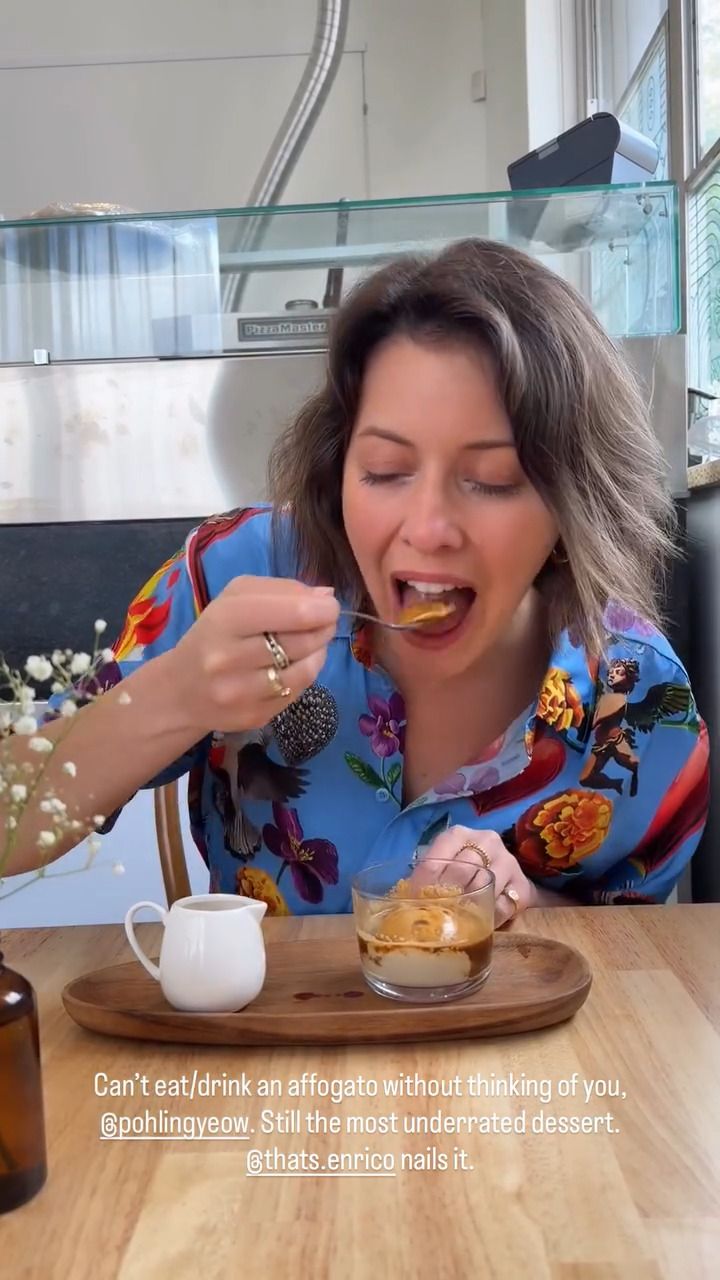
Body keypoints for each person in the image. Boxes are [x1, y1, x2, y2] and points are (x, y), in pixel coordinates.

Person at [5, 239, 709, 925]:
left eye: (492, 480)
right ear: (338, 468)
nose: (428, 528)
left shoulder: (640, 701)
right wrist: (176, 693)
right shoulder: (239, 572)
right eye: (385, 471)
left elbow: (632, 943)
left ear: (573, 503)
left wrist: (521, 901)